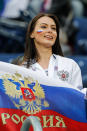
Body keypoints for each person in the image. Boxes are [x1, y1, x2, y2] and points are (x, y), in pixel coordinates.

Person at [21, 13, 83, 91]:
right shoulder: (22, 69)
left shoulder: (70, 65)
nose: (50, 31)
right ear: (31, 33)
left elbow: (77, 97)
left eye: (53, 28)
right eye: (43, 27)